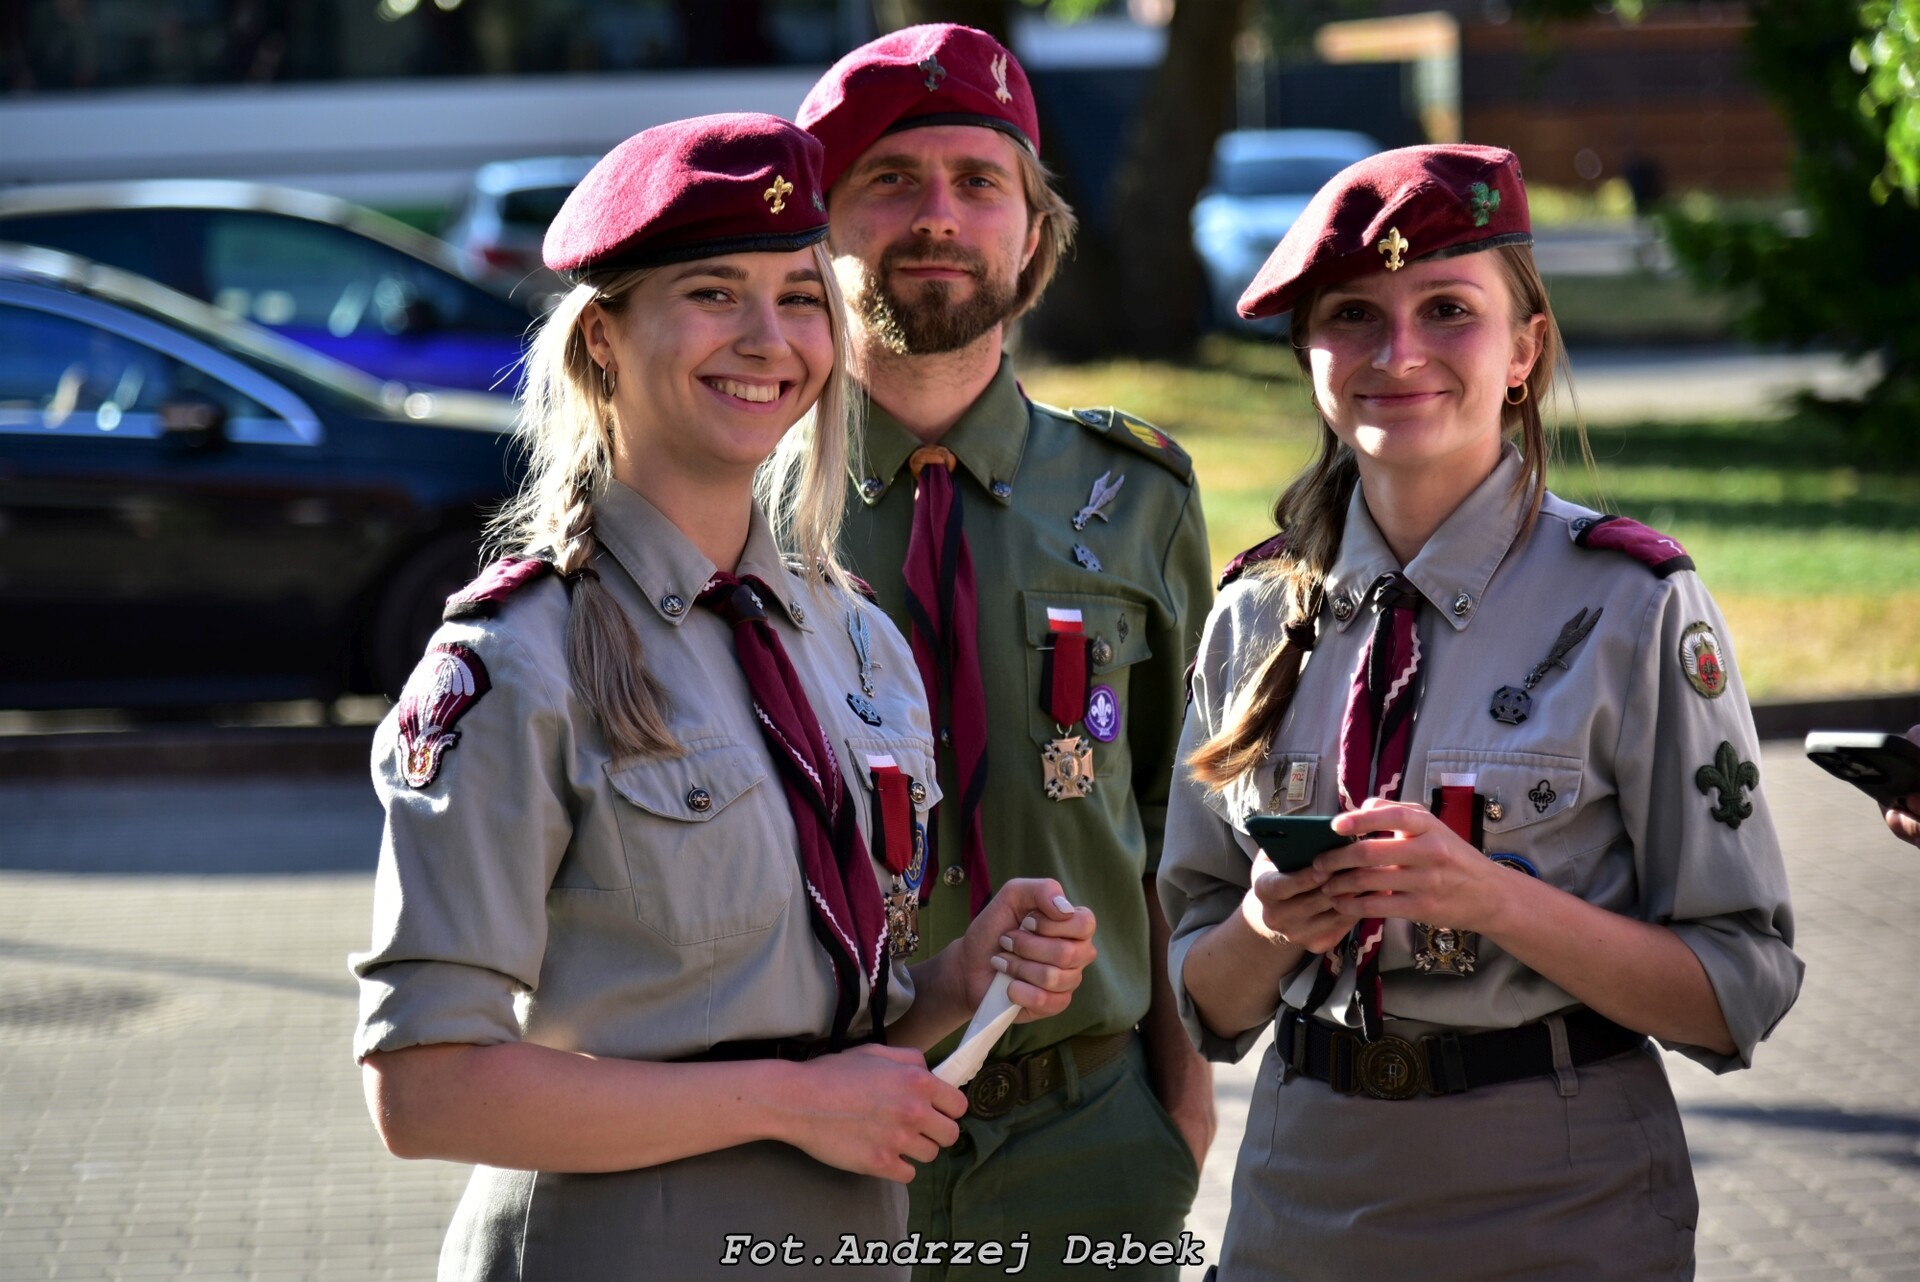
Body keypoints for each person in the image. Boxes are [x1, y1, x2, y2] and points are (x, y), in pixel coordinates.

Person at [349, 113, 1097, 1282]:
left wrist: (954, 985)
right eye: (713, 293)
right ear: (603, 337)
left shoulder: (855, 641)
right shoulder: (519, 658)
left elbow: (808, 1033)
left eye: (801, 297)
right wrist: (794, 1103)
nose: (768, 338)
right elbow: (425, 1088)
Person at [1157, 144, 1803, 1279]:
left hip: (1559, 1197)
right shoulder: (1254, 613)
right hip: (1298, 1197)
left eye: (1448, 309)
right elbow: (1203, 1003)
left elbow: (1734, 992)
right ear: (1309, 354)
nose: (1398, 352)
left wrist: (1492, 898)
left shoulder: (1632, 604)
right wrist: (1268, 926)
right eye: (1353, 315)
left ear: (1524, 351)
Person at [795, 25, 1215, 1278]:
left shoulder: (1136, 497)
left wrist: (1182, 1101)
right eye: (890, 178)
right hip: (807, 1130)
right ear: (817, 228)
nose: (939, 215)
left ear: (1033, 233)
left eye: (980, 182)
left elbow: (1176, 817)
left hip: (1086, 1129)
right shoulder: (737, 504)